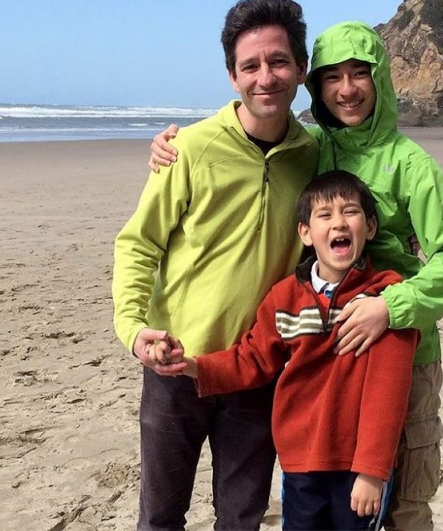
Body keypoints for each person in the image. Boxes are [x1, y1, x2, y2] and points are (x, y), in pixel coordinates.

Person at [149, 20, 443, 530]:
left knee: (404, 503)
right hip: (322, 351)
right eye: (332, 77)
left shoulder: (413, 165)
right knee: (322, 493)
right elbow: (252, 134)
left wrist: (390, 307)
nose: (347, 89)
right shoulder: (312, 146)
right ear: (314, 84)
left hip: (398, 344)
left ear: (380, 79)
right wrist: (176, 142)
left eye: (359, 74)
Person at [112, 0, 320, 531]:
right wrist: (133, 330)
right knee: (160, 518)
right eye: (250, 66)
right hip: (175, 364)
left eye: (278, 62)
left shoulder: (314, 155)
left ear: (301, 69)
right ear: (232, 76)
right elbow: (138, 244)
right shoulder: (189, 148)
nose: (265, 77)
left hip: (255, 368)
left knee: (242, 519)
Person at [153, 170, 419, 531]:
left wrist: (372, 471)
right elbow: (252, 359)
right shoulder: (285, 297)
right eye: (324, 215)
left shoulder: (387, 298)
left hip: (357, 466)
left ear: (370, 227)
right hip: (300, 462)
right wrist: (191, 365)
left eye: (350, 212)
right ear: (305, 233)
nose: (339, 223)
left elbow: (389, 391)